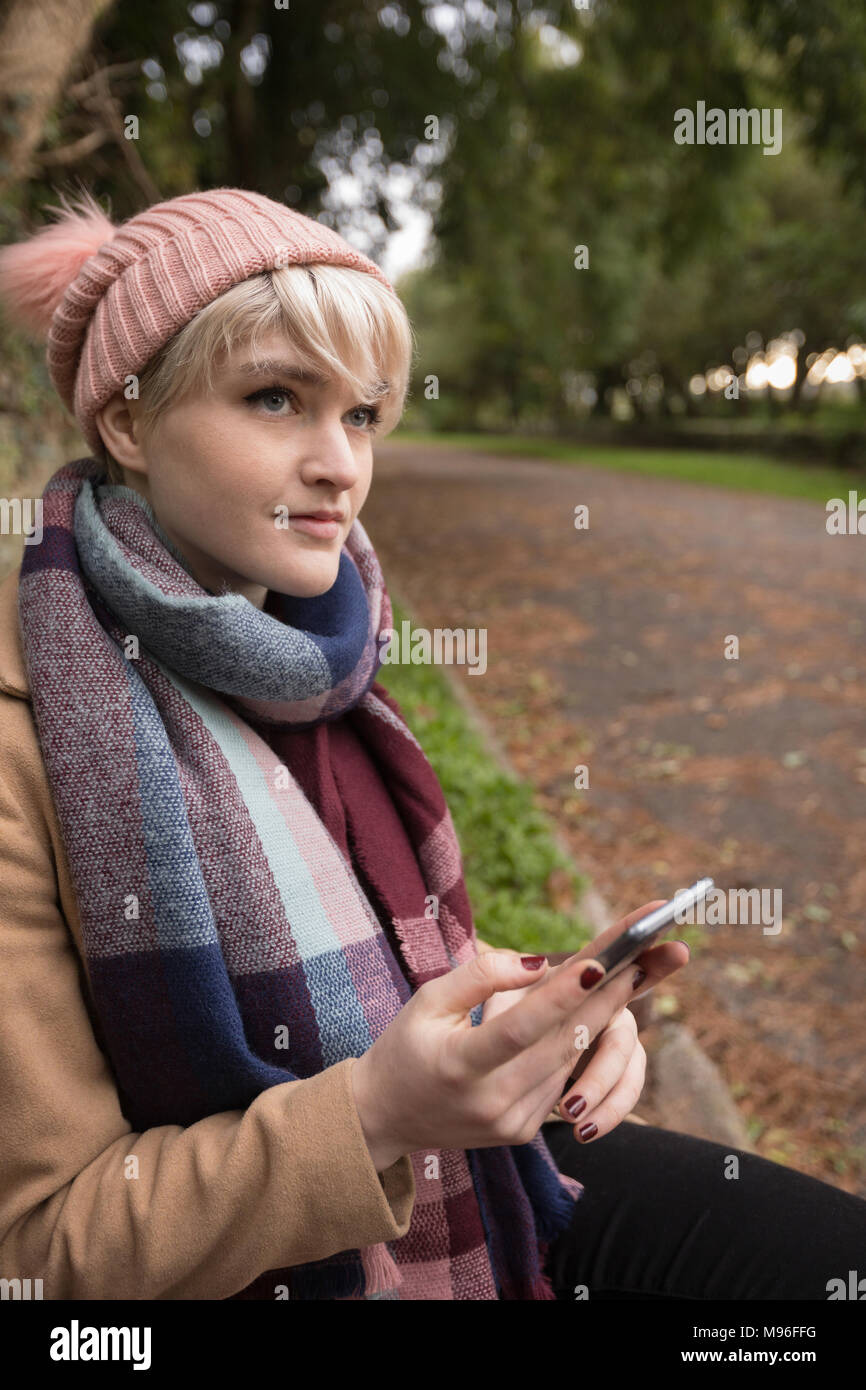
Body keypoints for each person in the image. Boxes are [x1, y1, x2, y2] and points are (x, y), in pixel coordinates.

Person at [0, 188, 863, 1302]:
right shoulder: (39, 731)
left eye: (359, 414)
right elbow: (38, 1254)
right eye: (275, 398)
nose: (339, 465)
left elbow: (376, 969)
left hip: (480, 1180)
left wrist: (528, 1029)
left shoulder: (310, 657)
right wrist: (376, 1112)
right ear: (125, 422)